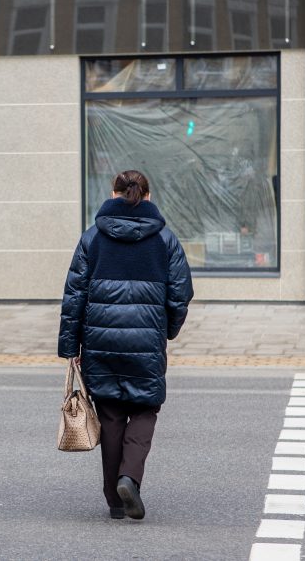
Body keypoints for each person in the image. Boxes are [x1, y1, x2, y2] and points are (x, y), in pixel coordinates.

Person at [57, 169, 193, 521]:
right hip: (146, 339)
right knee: (145, 409)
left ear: (113, 193)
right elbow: (180, 293)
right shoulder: (165, 239)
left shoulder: (92, 238)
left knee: (112, 414)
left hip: (100, 341)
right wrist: (168, 330)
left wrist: (70, 346)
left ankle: (114, 501)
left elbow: (74, 296)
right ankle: (129, 478)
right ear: (147, 196)